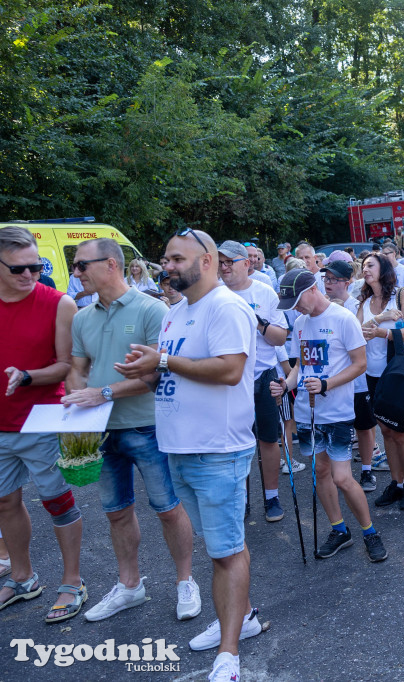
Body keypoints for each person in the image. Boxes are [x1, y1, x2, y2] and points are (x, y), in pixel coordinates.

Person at [114, 228, 260, 681]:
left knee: (225, 551)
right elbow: (170, 376)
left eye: (178, 258)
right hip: (179, 447)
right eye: (166, 259)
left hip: (217, 450)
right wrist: (148, 367)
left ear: (209, 260)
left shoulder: (226, 306)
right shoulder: (177, 313)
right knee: (222, 548)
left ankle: (229, 655)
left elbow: (231, 370)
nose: (168, 266)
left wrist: (162, 362)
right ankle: (244, 616)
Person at [60, 237, 200, 624]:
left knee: (168, 509)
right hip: (100, 432)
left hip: (147, 425)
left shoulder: (152, 309)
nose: (75, 273)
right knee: (116, 512)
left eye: (81, 265)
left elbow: (157, 373)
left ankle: (185, 581)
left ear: (111, 265)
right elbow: (78, 367)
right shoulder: (83, 316)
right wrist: (76, 397)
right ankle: (129, 586)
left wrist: (101, 393)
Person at [271, 269, 387, 562]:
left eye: (297, 300)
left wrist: (326, 384)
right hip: (308, 413)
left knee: (342, 477)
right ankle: (339, 530)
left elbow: (360, 364)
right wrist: (286, 384)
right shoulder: (299, 322)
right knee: (319, 473)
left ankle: (370, 532)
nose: (295, 308)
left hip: (336, 411)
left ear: (312, 289)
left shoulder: (343, 318)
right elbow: (300, 366)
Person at [0, 226, 83, 624]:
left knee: (57, 502)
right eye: (19, 269)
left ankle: (73, 583)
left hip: (41, 420)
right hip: (0, 426)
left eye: (36, 266)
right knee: (4, 501)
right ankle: (22, 579)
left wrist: (29, 376)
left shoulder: (59, 303)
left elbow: (68, 365)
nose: (30, 275)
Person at [217, 241, 290, 523]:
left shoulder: (264, 291)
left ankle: (271, 497)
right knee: (235, 443)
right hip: (230, 379)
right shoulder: (215, 295)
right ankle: (241, 498)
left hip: (263, 375)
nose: (223, 268)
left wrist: (258, 323)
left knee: (268, 440)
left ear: (246, 263)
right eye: (220, 262)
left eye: (229, 262)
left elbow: (281, 338)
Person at [356, 253, 404, 509]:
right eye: (363, 267)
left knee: (401, 431)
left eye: (370, 265)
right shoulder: (364, 301)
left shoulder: (401, 295)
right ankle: (396, 483)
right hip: (372, 375)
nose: (365, 269)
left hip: (398, 374)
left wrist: (383, 333)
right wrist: (379, 323)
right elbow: (358, 333)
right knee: (385, 431)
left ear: (383, 268)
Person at [320, 259, 382, 490]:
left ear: (347, 282)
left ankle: (367, 470)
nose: (328, 283)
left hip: (356, 380)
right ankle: (335, 472)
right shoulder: (322, 305)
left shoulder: (357, 305)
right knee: (334, 427)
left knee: (364, 426)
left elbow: (363, 337)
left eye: (334, 280)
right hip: (331, 381)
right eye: (326, 279)